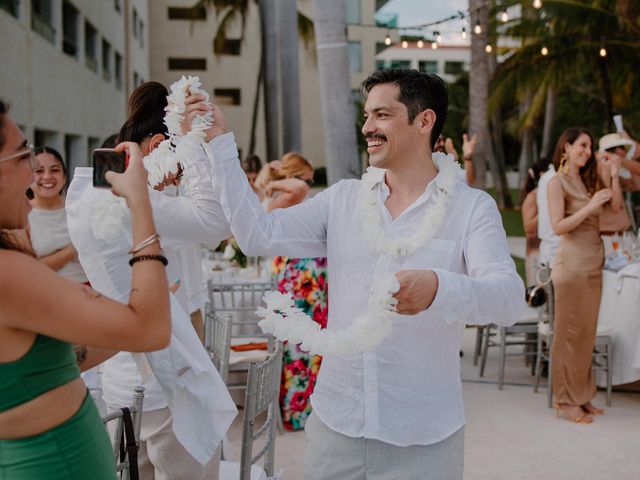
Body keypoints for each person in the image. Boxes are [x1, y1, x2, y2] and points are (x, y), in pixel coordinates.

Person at [209, 68, 523, 479]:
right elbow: (256, 234)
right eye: (366, 115)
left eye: (382, 115)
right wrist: (219, 145)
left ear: (424, 121)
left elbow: (508, 298)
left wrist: (439, 288)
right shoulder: (342, 200)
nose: (367, 128)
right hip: (338, 424)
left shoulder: (471, 207)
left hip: (426, 435)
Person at [66, 82, 237, 479]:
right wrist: (193, 149)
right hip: (166, 382)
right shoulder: (136, 199)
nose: (173, 183)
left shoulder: (87, 194)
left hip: (121, 380)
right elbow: (216, 224)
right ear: (159, 145)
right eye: (175, 170)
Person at [0, 99, 171, 479]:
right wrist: (139, 201)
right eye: (23, 155)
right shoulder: (8, 274)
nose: (35, 173)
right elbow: (151, 329)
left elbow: (41, 364)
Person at [547, 127, 623, 423]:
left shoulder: (588, 180)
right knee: (568, 334)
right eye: (581, 145)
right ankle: (565, 399)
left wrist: (615, 174)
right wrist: (591, 206)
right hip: (572, 266)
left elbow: (616, 207)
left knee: (586, 334)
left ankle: (582, 394)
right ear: (565, 147)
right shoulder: (558, 182)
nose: (586, 151)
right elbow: (557, 226)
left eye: (589, 147)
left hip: (594, 263)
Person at [23, 146, 88, 283]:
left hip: (87, 291)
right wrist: (72, 249)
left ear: (64, 177)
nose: (47, 176)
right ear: (27, 177)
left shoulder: (80, 208)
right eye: (39, 171)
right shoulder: (20, 215)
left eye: (55, 170)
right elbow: (28, 269)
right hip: (44, 294)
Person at [597, 133, 640, 253]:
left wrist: (628, 160)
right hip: (609, 238)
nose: (626, 152)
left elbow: (637, 184)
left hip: (621, 236)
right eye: (624, 149)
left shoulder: (617, 171)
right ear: (617, 150)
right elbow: (615, 206)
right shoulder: (601, 169)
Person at [520, 158, 548, 286]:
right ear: (542, 174)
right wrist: (545, 209)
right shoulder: (532, 197)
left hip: (548, 251)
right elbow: (528, 226)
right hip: (535, 253)